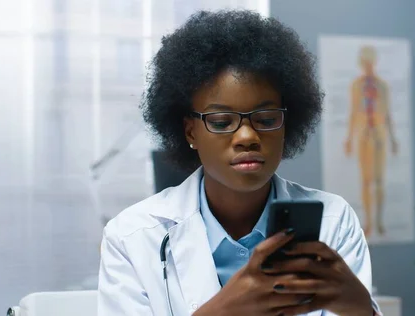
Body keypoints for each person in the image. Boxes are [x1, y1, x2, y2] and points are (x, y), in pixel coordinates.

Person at [98, 10, 382, 316]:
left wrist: (361, 308)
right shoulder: (132, 236)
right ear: (190, 131)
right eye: (221, 121)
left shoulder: (334, 221)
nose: (247, 136)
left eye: (267, 119)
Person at [343, 46, 398, 238]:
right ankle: (368, 222)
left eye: (370, 62)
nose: (368, 66)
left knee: (379, 180)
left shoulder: (382, 86)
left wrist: (393, 139)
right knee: (366, 181)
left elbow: (388, 113)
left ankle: (380, 221)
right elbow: (353, 112)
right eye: (364, 62)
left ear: (374, 62)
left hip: (380, 133)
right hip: (364, 134)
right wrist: (349, 138)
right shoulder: (356, 86)